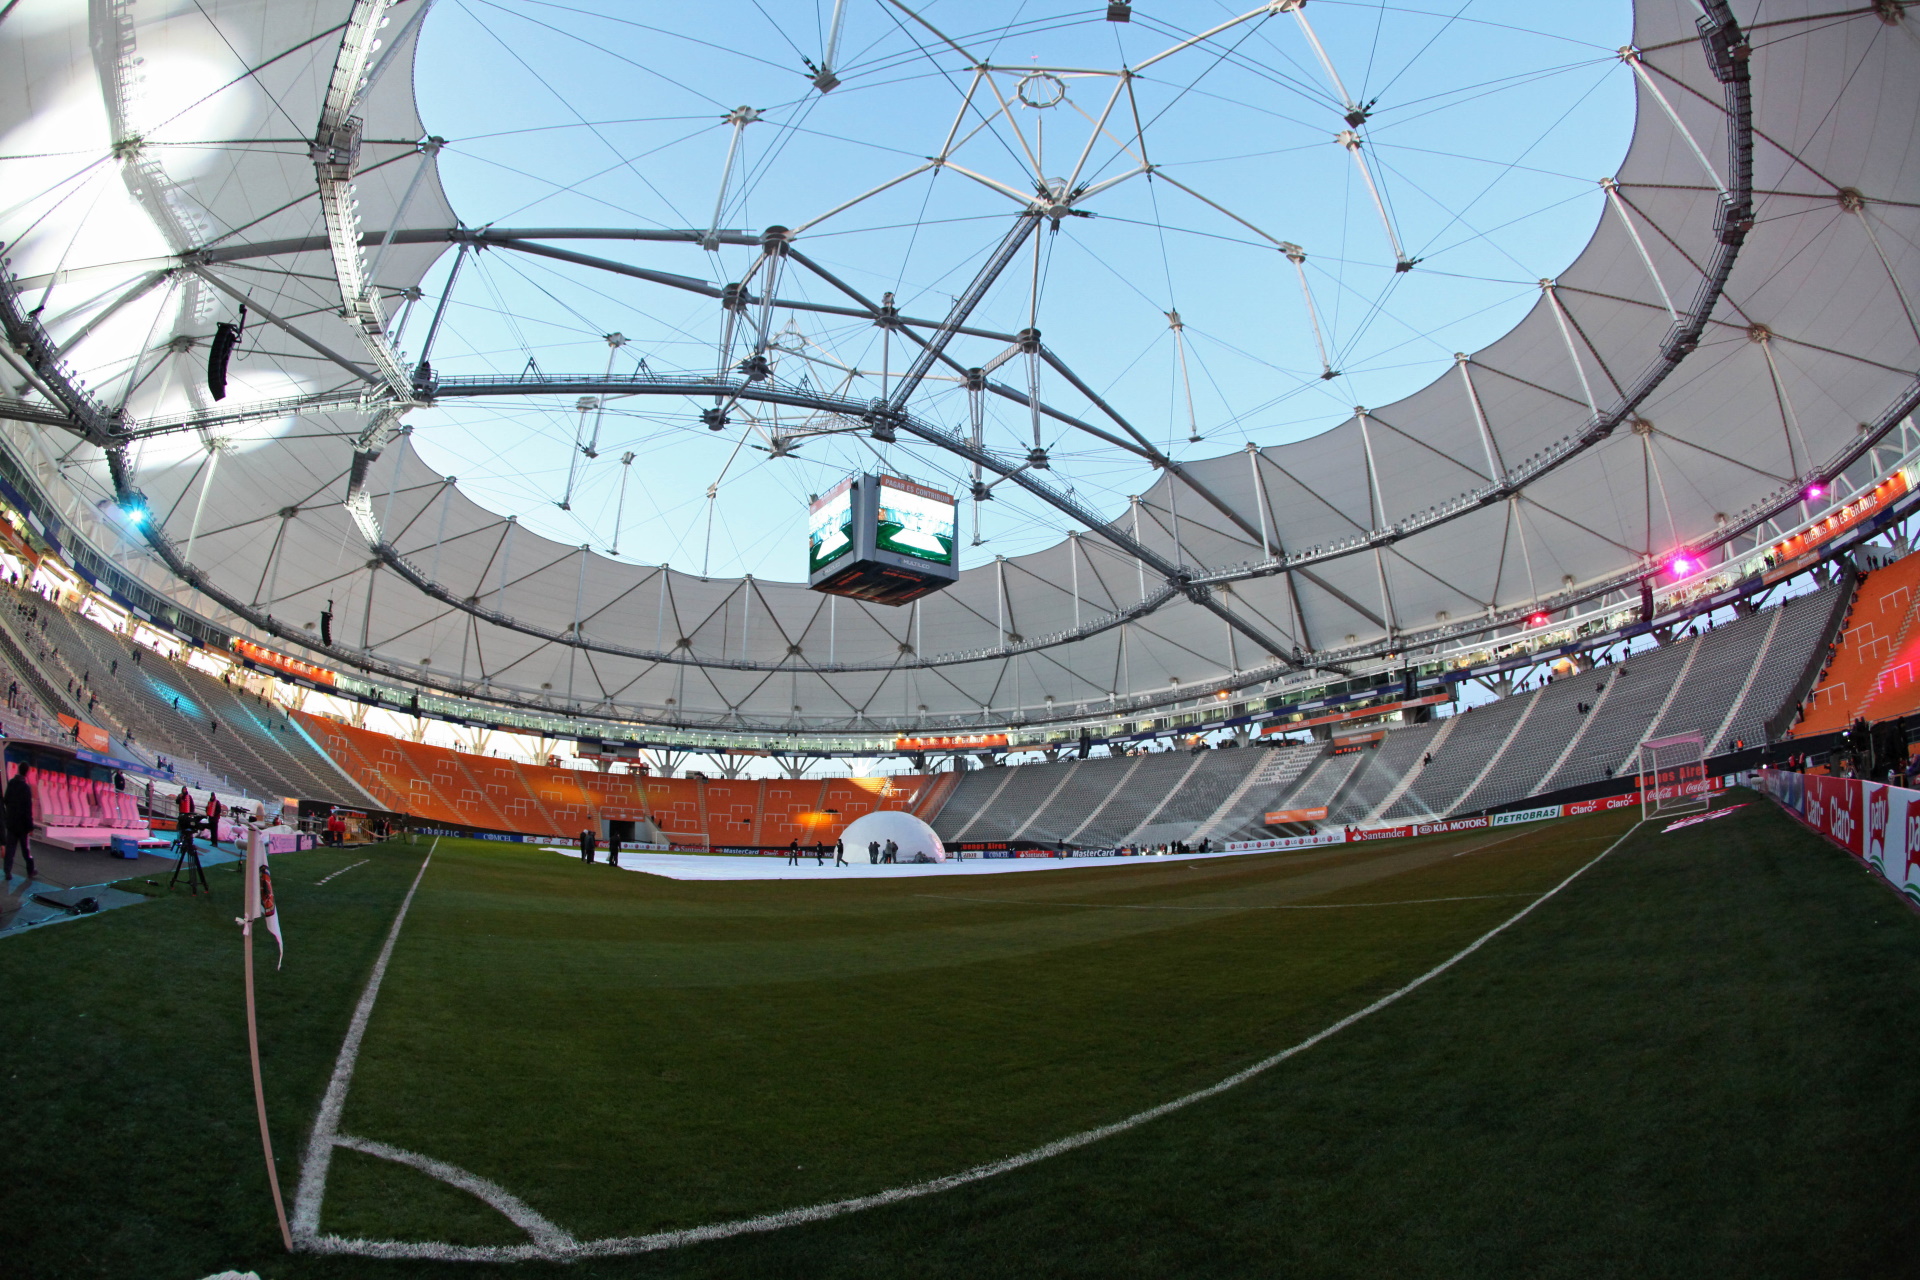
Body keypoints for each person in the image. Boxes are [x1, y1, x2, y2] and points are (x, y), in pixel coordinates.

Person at [3, 763, 34, 883]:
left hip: (11, 822)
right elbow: (28, 808)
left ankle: (7, 871)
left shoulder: (11, 783)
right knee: (25, 849)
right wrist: (30, 826)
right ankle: (30, 870)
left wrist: (11, 811)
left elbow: (6, 799)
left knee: (10, 849)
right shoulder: (25, 788)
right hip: (22, 825)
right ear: (27, 773)